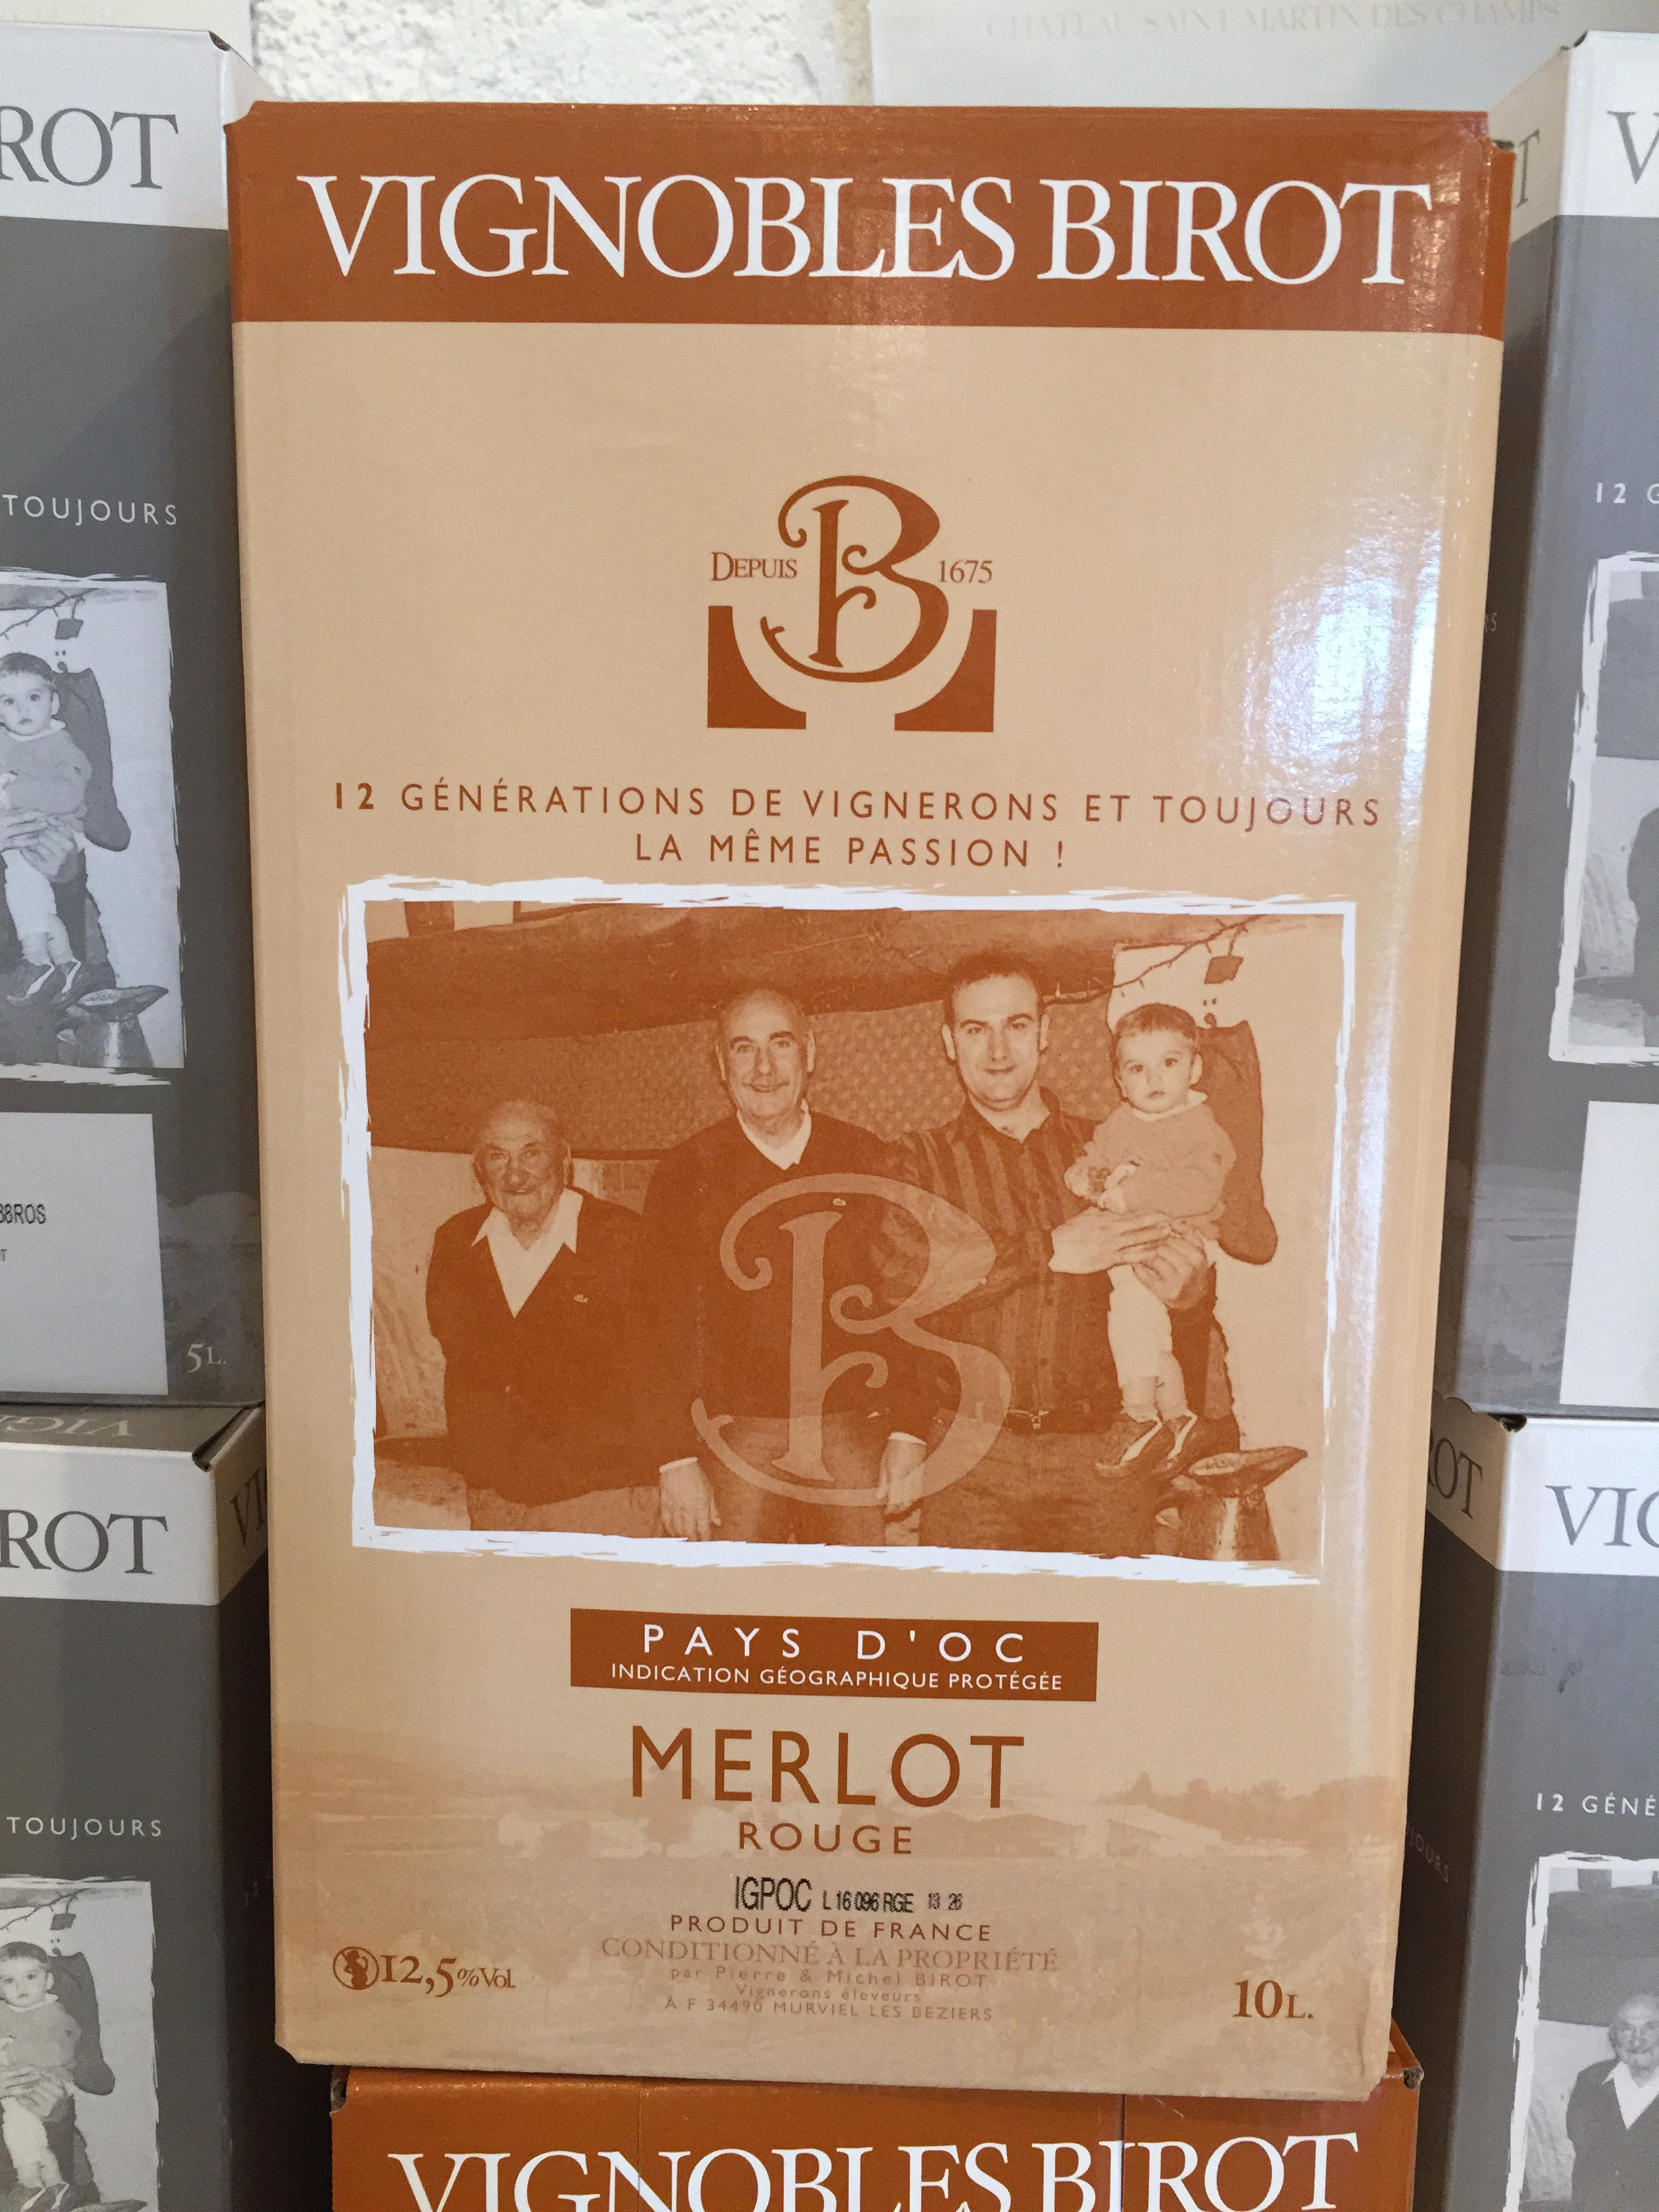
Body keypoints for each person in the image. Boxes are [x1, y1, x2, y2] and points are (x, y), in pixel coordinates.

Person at [875, 951, 1242, 1556]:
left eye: (1017, 1025)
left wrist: (1190, 1293)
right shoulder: (917, 1160)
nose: (998, 1050)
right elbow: (902, 1280)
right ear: (948, 1043)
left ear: (1044, 1033)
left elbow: (1185, 1299)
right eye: (976, 1029)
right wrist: (1048, 1249)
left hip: (1105, 1459)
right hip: (970, 1460)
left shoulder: (1114, 1149)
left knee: (1106, 1614)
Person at [634, 986, 905, 1546]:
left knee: (857, 1590)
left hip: (851, 1429)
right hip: (734, 1437)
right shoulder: (684, 1172)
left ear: (810, 1053)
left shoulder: (867, 1158)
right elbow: (653, 1326)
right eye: (744, 1048)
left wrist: (908, 1432)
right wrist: (673, 1459)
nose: (763, 1068)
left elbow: (906, 1301)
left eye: (780, 1044)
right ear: (720, 1063)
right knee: (740, 1590)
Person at [424, 1100, 638, 1523]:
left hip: (600, 1495)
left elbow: (661, 1365)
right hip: (495, 1497)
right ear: (479, 1170)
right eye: (497, 1157)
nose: (515, 1175)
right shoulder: (456, 1242)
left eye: (531, 1153)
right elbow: (461, 1355)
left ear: (564, 1160)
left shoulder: (622, 1237)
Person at [1064, 1002, 1236, 1470]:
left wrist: (1128, 1195)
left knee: (1130, 1315)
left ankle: (1138, 1413)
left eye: (1169, 1063)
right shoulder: (1120, 1122)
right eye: (1137, 1069)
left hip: (1178, 1237)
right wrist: (1084, 1174)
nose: (1153, 1079)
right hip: (1136, 1238)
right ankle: (1177, 1417)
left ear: (1194, 1069)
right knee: (1147, 1330)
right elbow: (1096, 1156)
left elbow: (1201, 1188)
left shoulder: (1201, 1125)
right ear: (1120, 1081)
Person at [0, 655, 89, 1008]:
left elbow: (70, 792)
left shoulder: (60, 744)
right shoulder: (4, 741)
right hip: (18, 836)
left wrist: (11, 794)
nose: (23, 710)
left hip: (51, 831)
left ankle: (36, 959)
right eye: (9, 701)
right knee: (33, 902)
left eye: (34, 698)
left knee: (25, 888)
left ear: (53, 703)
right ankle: (66, 963)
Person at [0, 1942, 78, 2212]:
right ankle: (54, 2185)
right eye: (9, 1980)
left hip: (42, 2085)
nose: (20, 1987)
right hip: (16, 2090)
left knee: (21, 2130)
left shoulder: (55, 2014)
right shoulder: (3, 2012)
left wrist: (10, 2051)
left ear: (49, 1981)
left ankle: (31, 2184)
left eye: (31, 1977)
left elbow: (58, 2053)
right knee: (31, 2136)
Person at [1566, 1992, 1659, 2209]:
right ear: (1614, 2036)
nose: (1638, 2040)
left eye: (1650, 2027)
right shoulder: (1590, 2082)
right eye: (1627, 2029)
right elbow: (1586, 2150)